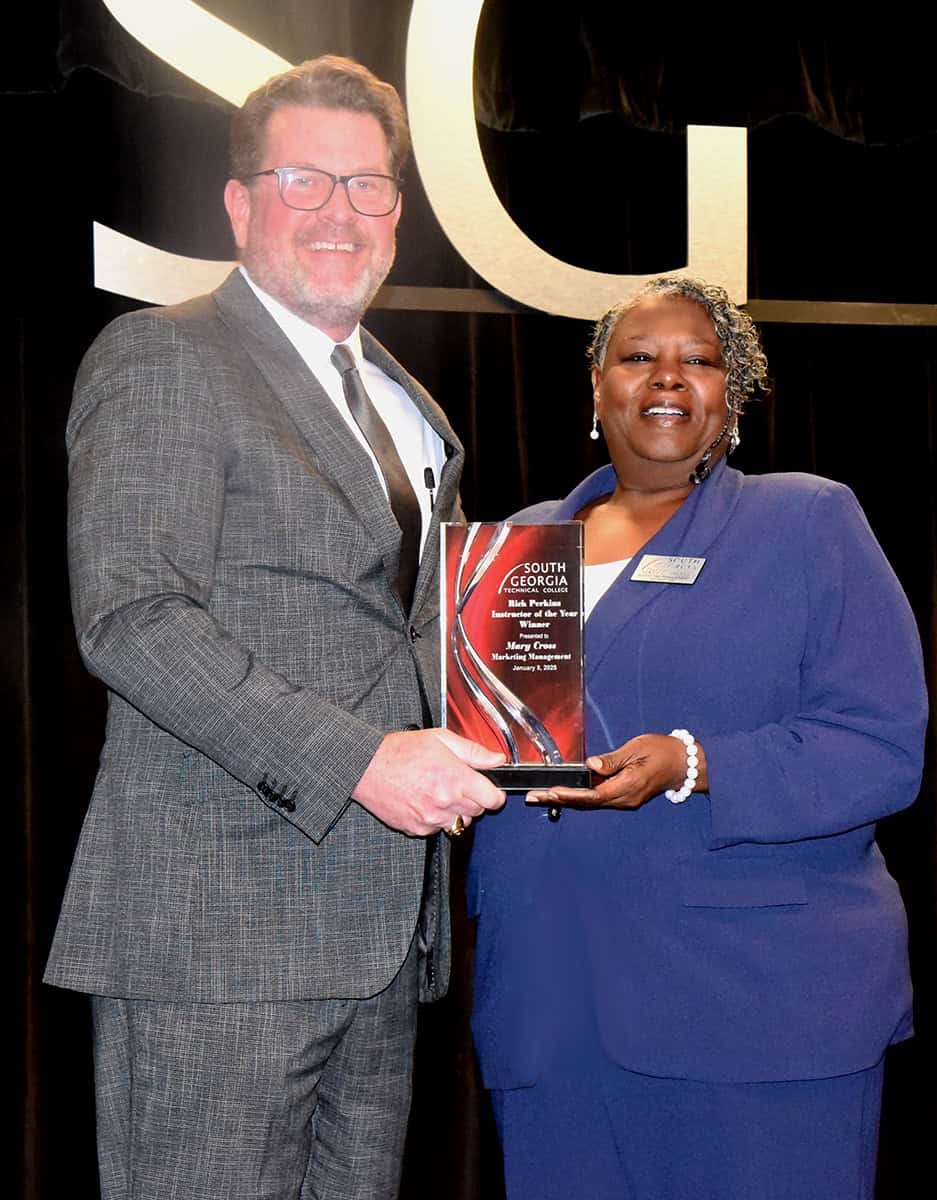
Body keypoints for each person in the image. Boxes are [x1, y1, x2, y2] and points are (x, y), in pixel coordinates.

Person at [45, 55, 505, 1200]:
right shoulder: (165, 358)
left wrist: (520, 721)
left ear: (398, 209)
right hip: (215, 937)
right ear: (240, 203)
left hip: (381, 937)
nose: (340, 214)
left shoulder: (414, 408)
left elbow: (401, 633)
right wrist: (363, 762)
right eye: (304, 181)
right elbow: (132, 619)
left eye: (367, 186)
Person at [468, 276, 927, 1200]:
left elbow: (881, 746)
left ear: (732, 396)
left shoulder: (804, 519)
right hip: (553, 1002)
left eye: (699, 360)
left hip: (752, 1002)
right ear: (596, 388)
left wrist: (697, 762)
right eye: (637, 357)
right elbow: (492, 739)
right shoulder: (516, 544)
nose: (666, 376)